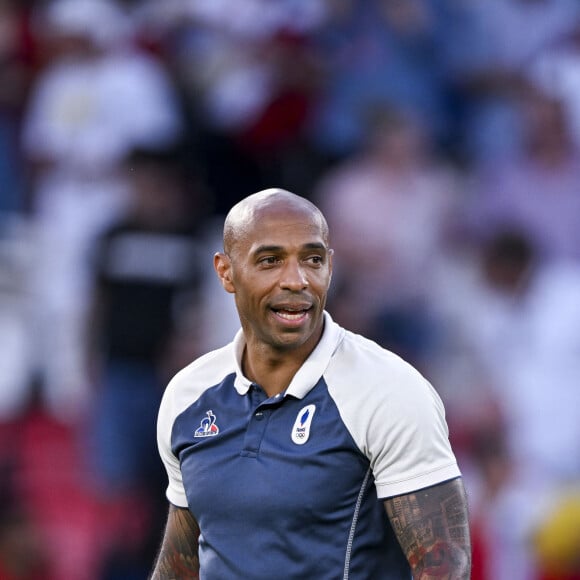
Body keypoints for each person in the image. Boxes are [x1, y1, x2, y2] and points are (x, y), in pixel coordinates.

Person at [151, 188, 471, 579]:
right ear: (226, 272)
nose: (296, 280)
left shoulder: (390, 390)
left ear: (330, 268)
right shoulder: (188, 396)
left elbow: (444, 567)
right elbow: (180, 564)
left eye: (313, 260)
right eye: (270, 261)